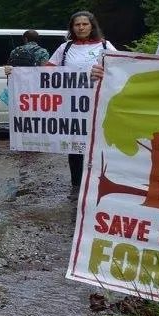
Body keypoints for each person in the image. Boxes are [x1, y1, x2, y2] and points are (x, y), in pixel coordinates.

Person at [50, 11, 107, 197]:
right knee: (75, 147)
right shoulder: (65, 48)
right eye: (77, 25)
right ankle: (76, 185)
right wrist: (17, 72)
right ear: (72, 28)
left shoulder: (105, 46)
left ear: (92, 26)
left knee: (97, 145)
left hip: (98, 104)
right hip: (72, 106)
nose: (81, 28)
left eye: (85, 24)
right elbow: (45, 72)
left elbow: (120, 69)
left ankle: (97, 183)